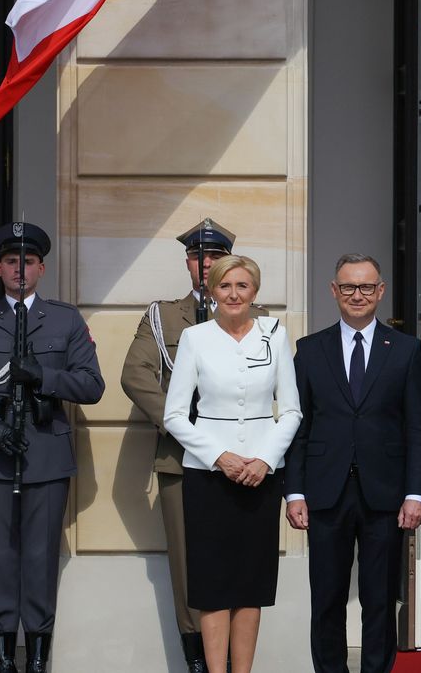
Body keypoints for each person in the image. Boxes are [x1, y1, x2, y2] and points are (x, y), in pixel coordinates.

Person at [0, 223, 105, 673]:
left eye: (29, 262)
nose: (21, 269)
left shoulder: (65, 319)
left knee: (39, 558)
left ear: (41, 269)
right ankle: (3, 659)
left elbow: (92, 385)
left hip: (46, 456)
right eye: (11, 262)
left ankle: (37, 658)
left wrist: (44, 377)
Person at [120, 218, 262, 672]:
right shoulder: (162, 317)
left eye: (216, 256)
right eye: (198, 256)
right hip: (181, 459)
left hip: (241, 459)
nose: (206, 264)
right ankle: (198, 660)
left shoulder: (258, 319)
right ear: (187, 263)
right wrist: (184, 425)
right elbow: (136, 375)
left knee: (239, 562)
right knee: (189, 566)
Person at [284, 253, 421, 673]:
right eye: (348, 286)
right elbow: (298, 425)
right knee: (326, 598)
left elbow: (418, 427)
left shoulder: (406, 349)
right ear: (334, 290)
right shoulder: (310, 350)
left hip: (386, 493)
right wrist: (294, 492)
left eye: (366, 286)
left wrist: (416, 493)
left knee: (379, 598)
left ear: (380, 291)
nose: (357, 295)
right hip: (325, 492)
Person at [163, 255, 301, 673]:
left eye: (242, 286)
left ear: (254, 291)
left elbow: (291, 411)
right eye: (225, 286)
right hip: (208, 478)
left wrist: (266, 459)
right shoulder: (195, 338)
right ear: (212, 291)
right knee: (212, 585)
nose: (234, 294)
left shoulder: (275, 334)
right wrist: (218, 456)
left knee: (251, 585)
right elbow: (174, 415)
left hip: (261, 477)